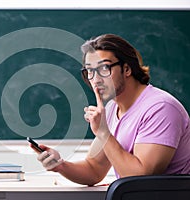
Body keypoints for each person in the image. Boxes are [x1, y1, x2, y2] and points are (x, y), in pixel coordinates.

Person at [30, 34, 190, 186]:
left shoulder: (161, 108)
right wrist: (60, 166)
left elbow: (142, 179)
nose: (96, 79)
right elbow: (93, 169)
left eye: (104, 68)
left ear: (126, 69)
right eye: (90, 71)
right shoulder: (113, 108)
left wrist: (104, 132)